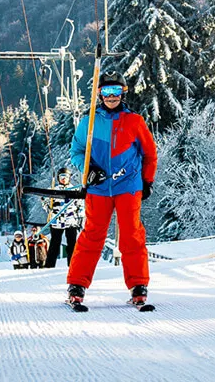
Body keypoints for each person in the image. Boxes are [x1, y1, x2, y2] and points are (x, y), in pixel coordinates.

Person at [66, 71, 157, 307]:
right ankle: (77, 285)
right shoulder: (89, 122)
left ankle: (138, 286)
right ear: (99, 94)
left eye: (116, 91)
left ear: (123, 93)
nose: (111, 96)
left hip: (128, 186)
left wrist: (147, 181)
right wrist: (88, 170)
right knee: (92, 235)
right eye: (106, 91)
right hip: (98, 188)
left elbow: (149, 154)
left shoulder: (134, 121)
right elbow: (76, 152)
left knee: (132, 234)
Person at [41, 167, 85, 269]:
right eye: (61, 177)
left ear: (69, 178)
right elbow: (45, 201)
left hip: (71, 221)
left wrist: (80, 216)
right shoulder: (53, 190)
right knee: (54, 244)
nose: (63, 179)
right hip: (57, 221)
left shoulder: (75, 190)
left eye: (65, 176)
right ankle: (49, 265)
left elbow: (81, 204)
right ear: (58, 178)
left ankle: (72, 265)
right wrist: (48, 207)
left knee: (72, 244)